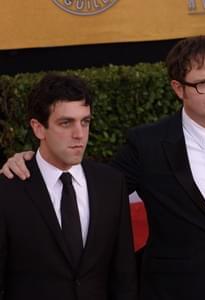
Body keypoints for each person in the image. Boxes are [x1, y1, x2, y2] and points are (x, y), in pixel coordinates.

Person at [0, 36, 205, 300]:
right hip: (174, 292)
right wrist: (32, 160)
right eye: (203, 83)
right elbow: (94, 189)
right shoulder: (148, 144)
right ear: (178, 88)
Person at [0, 73, 137, 300]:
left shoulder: (111, 184)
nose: (79, 134)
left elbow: (123, 276)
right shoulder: (8, 191)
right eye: (66, 123)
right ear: (38, 128)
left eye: (85, 122)